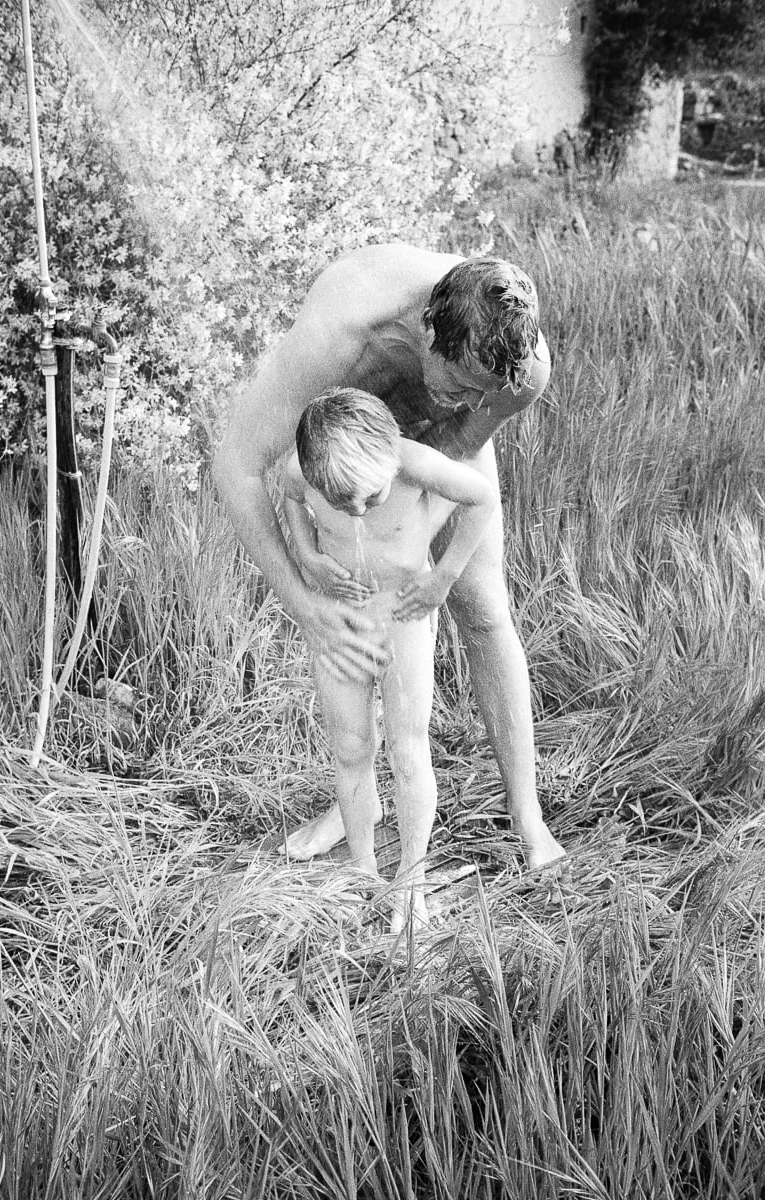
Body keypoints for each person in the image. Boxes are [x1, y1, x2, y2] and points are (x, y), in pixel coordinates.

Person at [214, 244, 566, 873]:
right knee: (352, 607)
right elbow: (238, 466)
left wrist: (427, 558)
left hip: (428, 452)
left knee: (484, 610)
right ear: (430, 330)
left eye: (478, 392)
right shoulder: (345, 330)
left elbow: (458, 443)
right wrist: (303, 600)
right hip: (346, 432)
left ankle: (529, 817)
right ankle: (359, 805)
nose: (464, 399)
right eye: (457, 383)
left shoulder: (521, 373)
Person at [284, 387, 496, 931]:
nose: (356, 510)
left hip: (403, 614)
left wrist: (443, 578)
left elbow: (481, 498)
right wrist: (308, 552)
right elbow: (287, 495)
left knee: (408, 746)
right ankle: (361, 873)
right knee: (351, 746)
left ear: (391, 460)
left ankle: (411, 881)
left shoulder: (412, 463)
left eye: (370, 498)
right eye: (340, 502)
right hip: (345, 618)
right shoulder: (304, 471)